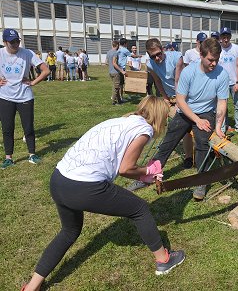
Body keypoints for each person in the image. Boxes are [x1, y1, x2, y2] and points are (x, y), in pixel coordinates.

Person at [20, 96, 185, 291]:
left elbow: (121, 163)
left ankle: (32, 286)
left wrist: (142, 175)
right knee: (139, 209)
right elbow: (126, 168)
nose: (166, 122)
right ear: (160, 116)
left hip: (59, 179)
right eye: (166, 117)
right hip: (84, 186)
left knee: (69, 231)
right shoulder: (144, 130)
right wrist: (149, 171)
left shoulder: (122, 121)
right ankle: (163, 260)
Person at [154, 38, 228, 200]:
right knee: (168, 142)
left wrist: (218, 127)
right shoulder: (189, 72)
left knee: (202, 143)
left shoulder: (222, 74)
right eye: (210, 60)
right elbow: (180, 100)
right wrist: (196, 119)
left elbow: (222, 102)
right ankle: (151, 173)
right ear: (201, 55)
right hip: (185, 111)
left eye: (216, 60)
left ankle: (201, 181)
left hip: (207, 112)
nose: (214, 63)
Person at [0, 28, 49, 169]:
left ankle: (32, 154)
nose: (15, 44)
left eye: (17, 41)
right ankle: (8, 158)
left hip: (25, 96)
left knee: (28, 127)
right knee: (7, 128)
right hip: (5, 97)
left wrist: (33, 82)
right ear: (5, 42)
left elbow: (45, 70)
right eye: (12, 42)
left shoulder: (27, 53)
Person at [143, 38, 194, 169]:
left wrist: (179, 101)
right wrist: (165, 98)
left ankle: (189, 156)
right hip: (170, 96)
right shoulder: (150, 65)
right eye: (153, 56)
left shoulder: (177, 57)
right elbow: (158, 81)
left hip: (186, 94)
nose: (157, 58)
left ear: (163, 49)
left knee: (186, 127)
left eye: (159, 54)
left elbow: (179, 80)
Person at [219, 27, 238, 135]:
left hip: (234, 82)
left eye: (227, 37)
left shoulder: (236, 48)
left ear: (230, 37)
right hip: (221, 83)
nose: (225, 39)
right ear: (220, 38)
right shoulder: (217, 49)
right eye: (223, 37)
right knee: (222, 106)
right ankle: (222, 127)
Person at [106, 40, 123, 105]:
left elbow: (106, 62)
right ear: (117, 45)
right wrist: (121, 70)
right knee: (116, 88)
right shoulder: (115, 53)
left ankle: (119, 100)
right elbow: (114, 63)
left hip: (110, 72)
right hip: (115, 72)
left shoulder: (108, 52)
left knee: (116, 86)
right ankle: (113, 101)